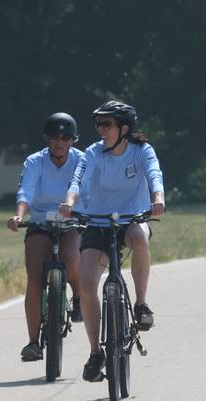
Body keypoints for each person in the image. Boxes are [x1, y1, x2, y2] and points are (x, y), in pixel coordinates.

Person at [59, 100, 165, 382]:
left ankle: (141, 304)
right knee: (88, 282)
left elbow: (155, 175)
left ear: (124, 128)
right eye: (98, 124)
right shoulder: (93, 153)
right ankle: (96, 352)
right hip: (97, 221)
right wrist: (69, 202)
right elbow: (78, 181)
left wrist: (158, 199)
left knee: (140, 236)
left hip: (132, 218)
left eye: (106, 124)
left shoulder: (142, 151)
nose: (100, 129)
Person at [7, 113, 84, 362]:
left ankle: (79, 296)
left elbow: (81, 187)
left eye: (65, 137)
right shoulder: (34, 162)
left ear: (73, 140)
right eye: (54, 137)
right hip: (41, 220)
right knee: (35, 277)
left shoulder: (82, 160)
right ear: (47, 139)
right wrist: (19, 216)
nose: (59, 142)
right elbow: (25, 192)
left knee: (72, 257)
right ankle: (32, 342)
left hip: (72, 221)